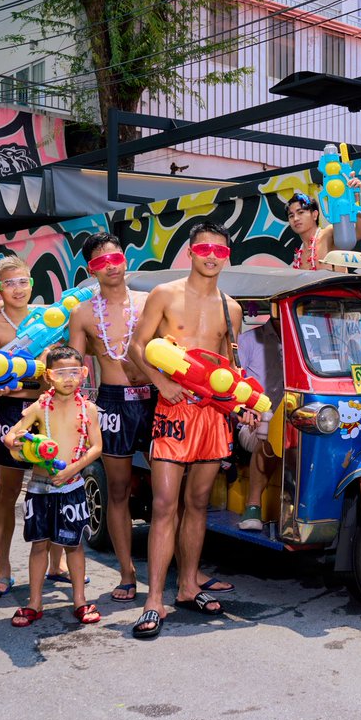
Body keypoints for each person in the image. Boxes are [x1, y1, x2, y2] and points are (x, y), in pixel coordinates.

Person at [128, 221, 257, 638]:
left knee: (198, 503)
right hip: (171, 410)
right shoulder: (164, 294)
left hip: (210, 417)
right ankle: (153, 600)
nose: (212, 257)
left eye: (220, 251)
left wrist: (243, 404)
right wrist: (161, 383)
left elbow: (227, 366)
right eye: (204, 249)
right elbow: (136, 344)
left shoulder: (231, 309)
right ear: (190, 251)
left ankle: (187, 586)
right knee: (165, 504)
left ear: (228, 256)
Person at [69, 233, 158, 601]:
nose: (111, 266)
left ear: (125, 259)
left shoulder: (150, 301)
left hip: (155, 398)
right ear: (91, 271)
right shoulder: (83, 313)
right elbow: (73, 367)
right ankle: (126, 572)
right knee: (118, 491)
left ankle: (181, 571)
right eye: (100, 263)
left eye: (115, 258)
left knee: (170, 491)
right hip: (113, 402)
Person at [0, 255, 64, 594]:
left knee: (55, 484)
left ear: (32, 283)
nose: (18, 289)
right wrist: (22, 383)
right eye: (10, 283)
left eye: (23, 281)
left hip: (47, 410)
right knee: (8, 491)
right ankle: (2, 567)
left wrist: (32, 382)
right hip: (9, 414)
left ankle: (56, 562)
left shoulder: (48, 320)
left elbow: (56, 372)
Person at [4, 346, 104, 627]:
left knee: (74, 546)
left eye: (75, 372)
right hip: (40, 487)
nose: (69, 379)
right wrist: (17, 441)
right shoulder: (38, 407)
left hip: (72, 486)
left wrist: (72, 470)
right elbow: (11, 436)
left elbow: (96, 447)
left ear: (83, 374)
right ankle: (34, 602)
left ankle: (80, 601)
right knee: (39, 546)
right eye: (61, 373)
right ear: (48, 376)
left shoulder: (88, 408)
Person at [236, 317, 283, 532]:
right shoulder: (248, 340)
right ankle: (253, 506)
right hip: (251, 423)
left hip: (292, 418)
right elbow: (232, 382)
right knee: (272, 430)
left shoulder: (307, 342)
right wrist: (244, 410)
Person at [285, 188, 361, 271]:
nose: (295, 218)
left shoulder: (329, 233)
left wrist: (356, 199)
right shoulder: (299, 254)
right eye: (291, 216)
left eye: (300, 212)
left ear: (314, 215)